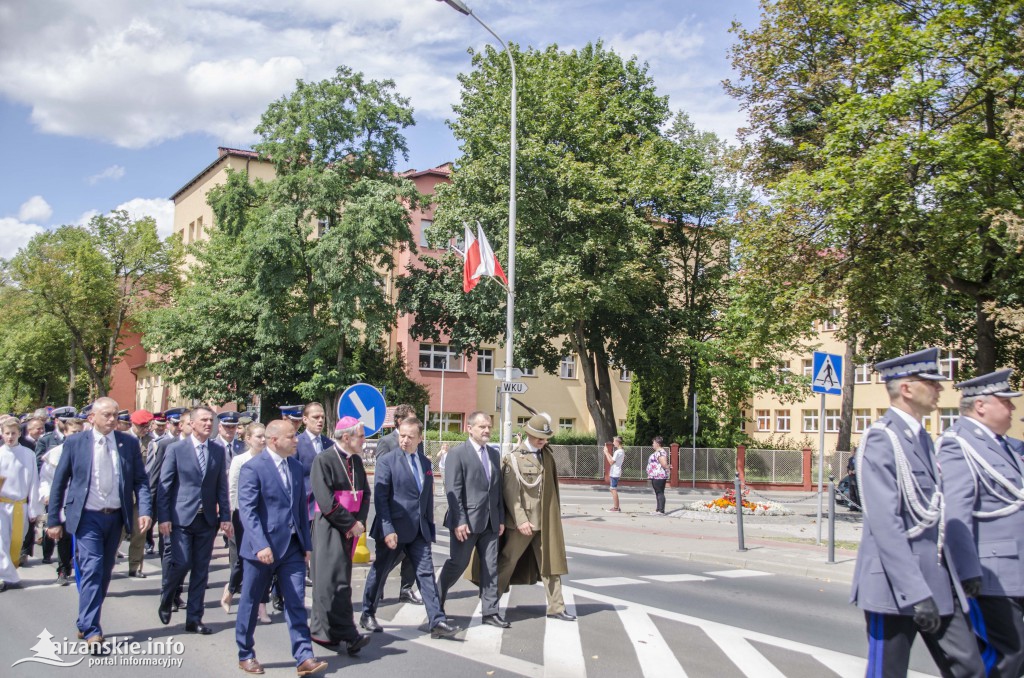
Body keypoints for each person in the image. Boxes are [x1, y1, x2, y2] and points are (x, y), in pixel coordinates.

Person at [851, 348, 983, 677]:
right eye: (932, 382)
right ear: (907, 389)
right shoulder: (882, 439)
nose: (940, 388)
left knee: (970, 667)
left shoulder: (922, 439)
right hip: (896, 585)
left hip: (936, 579)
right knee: (888, 673)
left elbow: (937, 515)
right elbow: (886, 525)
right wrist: (915, 591)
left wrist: (964, 570)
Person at [46, 397, 152, 649]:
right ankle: (93, 628)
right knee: (92, 569)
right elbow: (59, 483)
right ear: (92, 417)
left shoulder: (128, 443)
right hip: (87, 517)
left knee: (104, 572)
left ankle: (84, 620)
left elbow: (141, 481)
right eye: (106, 415)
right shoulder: (75, 443)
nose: (112, 420)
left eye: (115, 415)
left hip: (115, 517)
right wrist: (53, 520)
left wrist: (145, 510)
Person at [938, 369, 1024, 677]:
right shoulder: (959, 444)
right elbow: (956, 512)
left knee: (1015, 655)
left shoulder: (1003, 446)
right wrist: (967, 571)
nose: (1013, 408)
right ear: (981, 405)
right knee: (1005, 655)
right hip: (990, 572)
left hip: (1013, 570)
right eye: (1007, 401)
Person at [235, 420, 327, 677]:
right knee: (251, 601)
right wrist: (260, 544)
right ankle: (246, 653)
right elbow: (248, 511)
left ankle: (304, 656)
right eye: (291, 436)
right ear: (274, 440)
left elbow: (300, 508)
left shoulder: (296, 468)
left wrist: (306, 545)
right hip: (261, 550)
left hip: (292, 549)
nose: (296, 440)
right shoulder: (253, 468)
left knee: (296, 601)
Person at [360, 417, 460, 639]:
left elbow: (425, 499)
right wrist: (387, 529)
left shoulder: (424, 463)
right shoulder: (387, 461)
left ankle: (437, 621)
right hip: (393, 530)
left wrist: (428, 528)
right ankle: (367, 612)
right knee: (380, 571)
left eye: (410, 437)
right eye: (401, 435)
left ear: (420, 438)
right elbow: (381, 498)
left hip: (418, 531)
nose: (404, 440)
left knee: (425, 574)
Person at [157, 405, 232, 634]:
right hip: (181, 518)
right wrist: (164, 517)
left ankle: (194, 618)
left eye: (211, 420)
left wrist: (225, 517)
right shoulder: (176, 449)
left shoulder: (217, 451)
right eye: (204, 420)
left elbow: (221, 486)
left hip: (207, 519)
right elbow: (165, 486)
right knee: (182, 562)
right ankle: (168, 596)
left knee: (201, 569)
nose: (209, 424)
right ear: (191, 423)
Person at [497, 413, 575, 621]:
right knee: (507, 561)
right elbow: (511, 493)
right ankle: (490, 602)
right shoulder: (514, 457)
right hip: (524, 524)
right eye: (539, 438)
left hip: (544, 522)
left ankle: (557, 608)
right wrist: (521, 520)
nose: (543, 441)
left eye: (545, 438)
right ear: (529, 435)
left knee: (551, 565)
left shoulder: (546, 455)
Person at [436, 411, 507, 627]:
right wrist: (459, 520)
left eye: (488, 427)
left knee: (491, 566)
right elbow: (453, 490)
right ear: (470, 428)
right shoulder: (458, 454)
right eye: (482, 427)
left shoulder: (493, 454)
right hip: (466, 522)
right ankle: (435, 600)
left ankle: (490, 612)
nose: (486, 430)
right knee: (458, 563)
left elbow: (497, 491)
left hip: (491, 521)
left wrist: (501, 518)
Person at [309, 416, 372, 652]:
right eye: (362, 436)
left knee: (336, 580)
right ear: (347, 437)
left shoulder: (355, 460)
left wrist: (360, 521)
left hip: (350, 527)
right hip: (330, 527)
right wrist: (349, 524)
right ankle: (349, 634)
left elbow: (364, 494)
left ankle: (323, 633)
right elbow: (326, 501)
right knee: (331, 582)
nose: (365, 440)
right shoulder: (323, 460)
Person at [368, 403, 422, 605]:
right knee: (390, 556)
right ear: (399, 421)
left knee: (411, 557)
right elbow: (382, 481)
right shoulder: (387, 442)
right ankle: (376, 585)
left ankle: (406, 589)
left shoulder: (417, 440)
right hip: (394, 511)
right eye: (411, 418)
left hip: (413, 514)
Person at [222, 422, 270, 622]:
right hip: (243, 516)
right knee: (241, 561)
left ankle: (262, 606)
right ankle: (230, 590)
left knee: (266, 561)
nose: (263, 440)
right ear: (248, 439)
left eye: (264, 436)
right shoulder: (240, 461)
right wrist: (230, 518)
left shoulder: (270, 460)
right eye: (258, 436)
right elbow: (232, 489)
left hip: (265, 517)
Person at [38, 417, 85, 585]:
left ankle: (83, 569)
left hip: (83, 503)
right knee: (64, 537)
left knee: (82, 539)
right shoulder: (56, 453)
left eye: (80, 432)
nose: (77, 435)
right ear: (65, 432)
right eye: (73, 432)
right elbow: (45, 478)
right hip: (64, 501)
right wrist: (46, 494)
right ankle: (63, 569)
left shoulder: (89, 451)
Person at [1, 418, 42, 591]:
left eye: (13, 433)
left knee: (15, 542)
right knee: (1, 543)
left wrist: (35, 509)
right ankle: (7, 577)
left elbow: (34, 481)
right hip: (2, 505)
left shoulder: (28, 454)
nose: (10, 437)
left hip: (21, 506)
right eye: (7, 433)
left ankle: (9, 574)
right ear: (2, 434)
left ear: (19, 433)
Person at [37, 407, 77, 564]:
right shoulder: (47, 440)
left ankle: (65, 565)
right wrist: (45, 493)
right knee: (52, 526)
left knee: (67, 533)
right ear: (57, 422)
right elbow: (42, 471)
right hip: (55, 492)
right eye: (64, 421)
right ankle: (47, 553)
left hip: (72, 496)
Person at [646, 436, 669, 515]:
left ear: (658, 444)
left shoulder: (661, 452)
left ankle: (661, 510)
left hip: (659, 475)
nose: (652, 444)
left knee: (660, 492)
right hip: (655, 475)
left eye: (653, 443)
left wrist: (667, 466)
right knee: (658, 492)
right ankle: (658, 509)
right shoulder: (658, 452)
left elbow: (664, 464)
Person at [603, 436, 625, 512]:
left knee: (613, 489)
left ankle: (616, 508)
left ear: (617, 442)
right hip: (616, 471)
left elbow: (611, 462)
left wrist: (606, 453)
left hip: (615, 472)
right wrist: (608, 453)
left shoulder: (618, 451)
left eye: (614, 441)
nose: (613, 443)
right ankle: (616, 507)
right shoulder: (621, 451)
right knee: (612, 489)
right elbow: (613, 460)